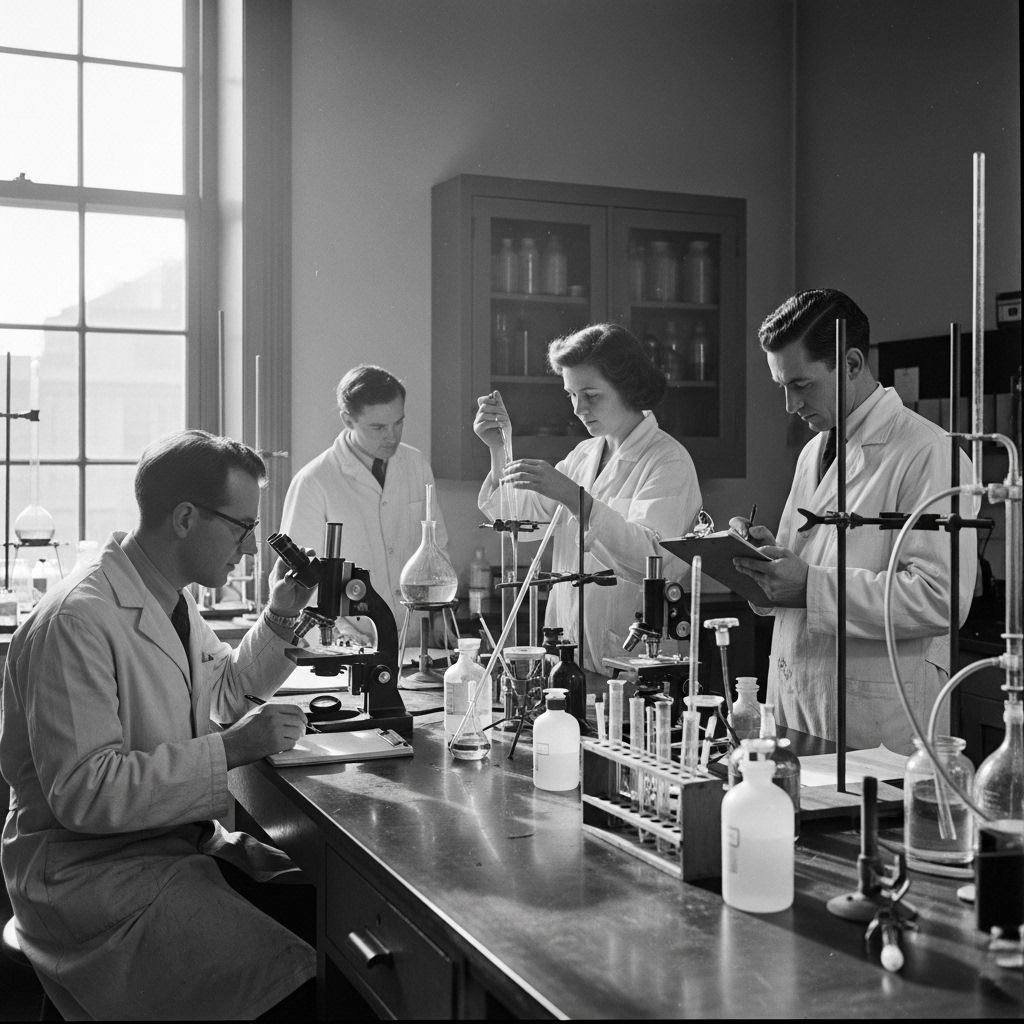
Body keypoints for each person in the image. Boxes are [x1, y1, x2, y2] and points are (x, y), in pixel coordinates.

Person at [1, 430, 318, 1020]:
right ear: (185, 518)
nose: (251, 550)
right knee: (297, 986)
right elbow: (87, 792)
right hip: (90, 878)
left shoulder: (166, 596)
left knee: (326, 914)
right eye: (241, 528)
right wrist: (231, 750)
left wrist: (280, 613)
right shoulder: (78, 620)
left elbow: (223, 691)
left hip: (162, 848)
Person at [731, 289, 978, 754]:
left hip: (878, 718)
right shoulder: (815, 450)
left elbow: (940, 599)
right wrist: (763, 562)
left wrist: (809, 586)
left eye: (801, 385)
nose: (789, 404)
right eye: (781, 386)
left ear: (851, 363)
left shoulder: (930, 453)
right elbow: (799, 567)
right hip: (798, 699)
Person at [475, 323, 703, 676]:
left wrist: (574, 498)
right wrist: (498, 447)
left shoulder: (668, 460)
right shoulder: (582, 456)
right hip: (565, 655)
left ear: (628, 388)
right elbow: (518, 521)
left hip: (631, 661)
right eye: (571, 394)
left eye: (591, 395)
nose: (578, 408)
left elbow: (657, 561)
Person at [276, 364, 450, 645]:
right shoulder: (314, 481)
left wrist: (441, 615)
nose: (392, 437)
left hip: (416, 641)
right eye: (378, 427)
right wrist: (347, 634)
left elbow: (437, 548)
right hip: (351, 645)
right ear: (348, 420)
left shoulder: (416, 465)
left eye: (399, 423)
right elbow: (299, 581)